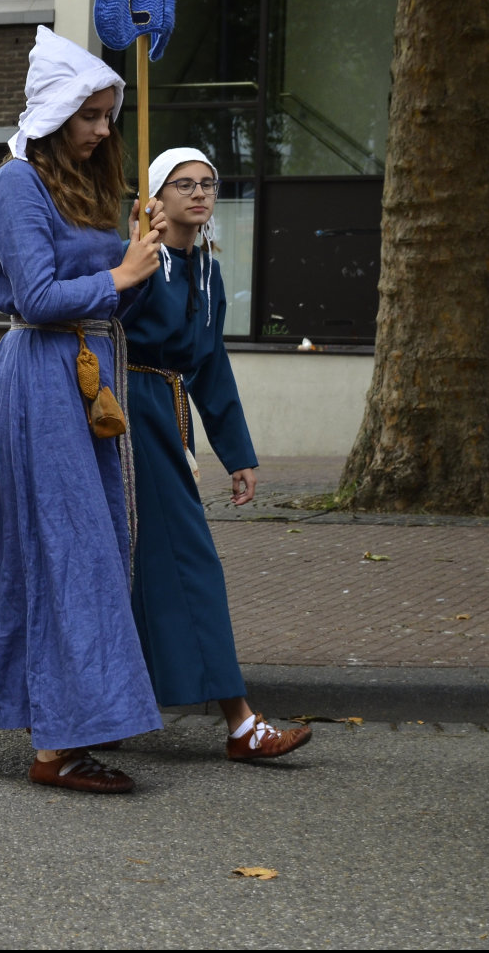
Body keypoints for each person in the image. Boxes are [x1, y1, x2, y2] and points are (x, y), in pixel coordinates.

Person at [0, 26, 165, 794]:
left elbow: (127, 298)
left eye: (106, 115)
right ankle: (59, 743)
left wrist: (147, 255)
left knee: (33, 545)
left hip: (90, 378)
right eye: (90, 115)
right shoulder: (15, 185)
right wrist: (120, 272)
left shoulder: (94, 184)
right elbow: (32, 296)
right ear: (57, 112)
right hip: (38, 375)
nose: (102, 129)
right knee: (70, 548)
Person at [124, 148, 312, 762]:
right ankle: (239, 720)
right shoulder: (142, 256)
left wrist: (238, 453)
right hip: (129, 409)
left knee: (143, 565)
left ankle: (108, 707)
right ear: (158, 196)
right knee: (187, 557)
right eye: (185, 185)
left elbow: (210, 366)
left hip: (168, 410)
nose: (200, 194)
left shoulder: (206, 270)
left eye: (208, 184)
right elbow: (106, 321)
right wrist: (133, 257)